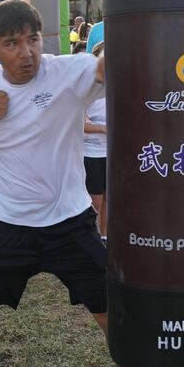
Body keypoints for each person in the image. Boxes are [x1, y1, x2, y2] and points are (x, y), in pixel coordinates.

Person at [0, 0, 133, 367]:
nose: (27, 53)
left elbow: (101, 68)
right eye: (12, 44)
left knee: (112, 312)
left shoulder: (66, 72)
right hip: (7, 222)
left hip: (70, 220)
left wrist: (132, 23)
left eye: (32, 40)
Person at [84, 42, 107, 242]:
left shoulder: (120, 87)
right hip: (91, 153)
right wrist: (104, 128)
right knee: (95, 202)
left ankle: (105, 238)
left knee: (110, 201)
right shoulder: (87, 89)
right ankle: (89, 239)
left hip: (114, 153)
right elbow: (79, 124)